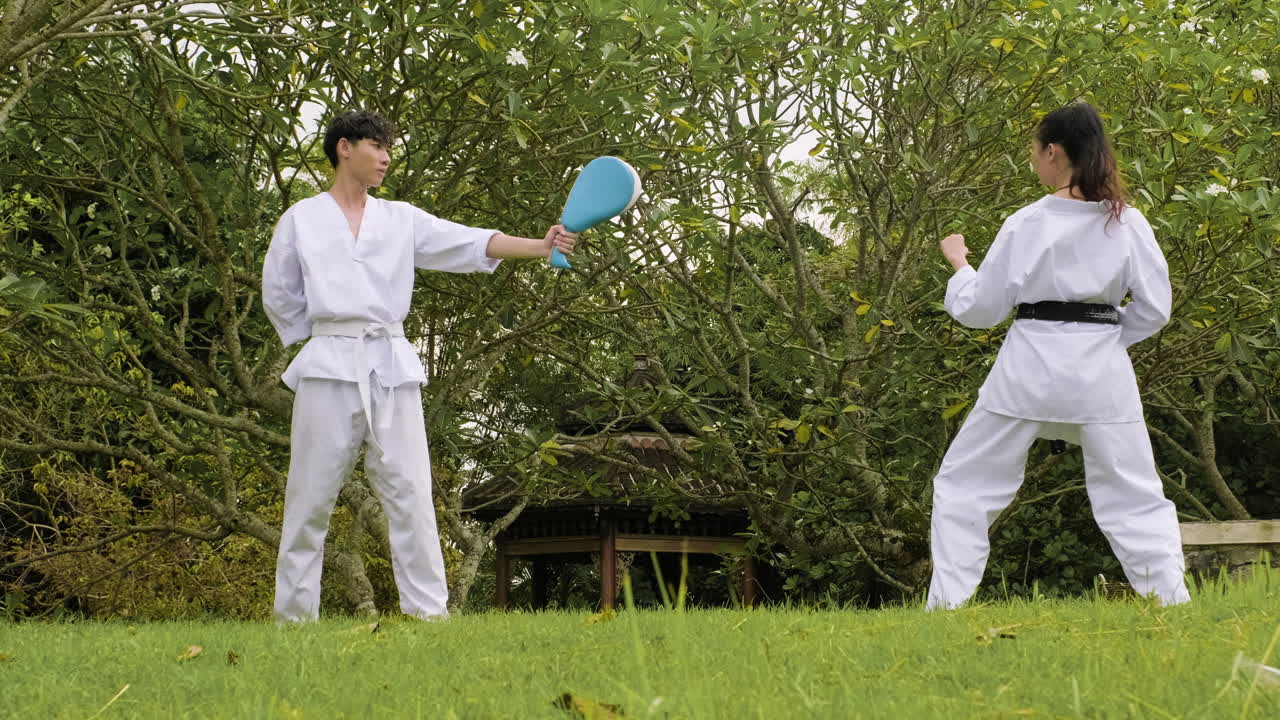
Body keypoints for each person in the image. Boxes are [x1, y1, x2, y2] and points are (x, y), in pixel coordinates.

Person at [262, 110, 576, 623]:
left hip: (392, 366)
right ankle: (294, 619)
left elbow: (471, 241)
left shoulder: (401, 218)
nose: (386, 157)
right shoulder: (302, 218)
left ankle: (429, 615)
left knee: (411, 493)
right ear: (345, 147)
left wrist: (540, 247)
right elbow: (279, 292)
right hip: (328, 365)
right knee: (309, 497)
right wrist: (322, 335)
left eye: (389, 148)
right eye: (377, 146)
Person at [927, 102, 1190, 609]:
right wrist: (1106, 339)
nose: (1033, 161)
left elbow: (983, 309)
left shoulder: (1028, 222)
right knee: (1135, 494)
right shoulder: (1127, 222)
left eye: (1034, 151)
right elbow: (1155, 309)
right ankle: (1170, 600)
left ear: (1052, 151)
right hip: (1101, 378)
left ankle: (947, 605)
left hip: (1027, 371)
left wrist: (960, 265)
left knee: (965, 486)